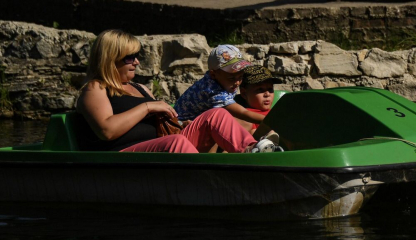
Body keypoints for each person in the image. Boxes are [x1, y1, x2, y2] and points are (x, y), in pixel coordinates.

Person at [76, 30, 277, 153]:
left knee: (215, 115)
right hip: (125, 154)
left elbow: (162, 123)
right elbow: (106, 131)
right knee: (176, 141)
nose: (136, 62)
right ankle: (204, 179)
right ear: (110, 59)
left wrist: (181, 123)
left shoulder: (140, 88)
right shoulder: (96, 88)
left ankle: (251, 150)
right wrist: (147, 107)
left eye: (137, 56)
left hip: (162, 145)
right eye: (129, 57)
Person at [174, 44, 269, 128]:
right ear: (213, 74)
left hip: (202, 121)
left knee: (244, 125)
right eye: (232, 78)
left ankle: (256, 143)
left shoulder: (222, 80)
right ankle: (234, 148)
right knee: (244, 123)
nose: (237, 82)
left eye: (240, 77)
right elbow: (243, 113)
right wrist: (273, 122)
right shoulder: (213, 92)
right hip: (183, 126)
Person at [234, 65, 282, 137]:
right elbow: (254, 136)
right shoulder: (245, 116)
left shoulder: (276, 112)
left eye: (270, 89)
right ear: (244, 93)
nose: (267, 94)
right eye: (260, 90)